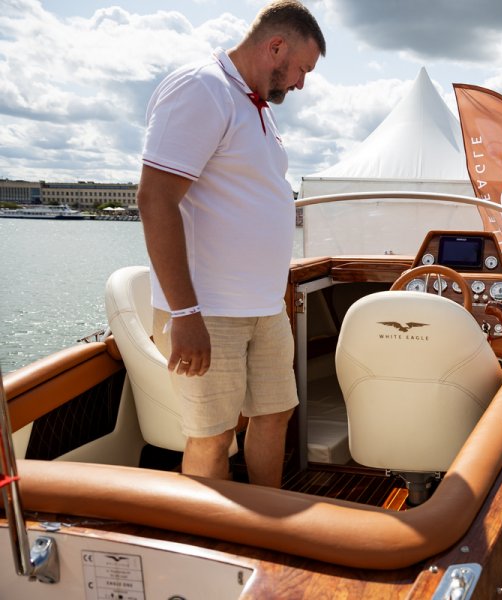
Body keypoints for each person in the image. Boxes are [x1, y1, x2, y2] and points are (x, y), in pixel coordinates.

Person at [137, 0, 326, 486]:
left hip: (263, 306)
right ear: (276, 46)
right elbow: (155, 199)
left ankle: (267, 531)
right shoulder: (203, 88)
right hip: (209, 310)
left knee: (275, 415)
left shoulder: (255, 106)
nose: (301, 82)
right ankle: (212, 551)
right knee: (212, 436)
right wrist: (183, 313)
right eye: (302, 68)